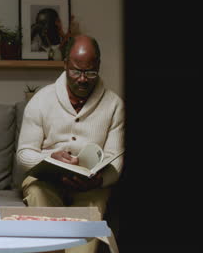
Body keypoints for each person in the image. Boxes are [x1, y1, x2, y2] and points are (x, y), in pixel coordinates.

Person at [17, 35, 124, 253]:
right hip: (45, 182)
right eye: (76, 71)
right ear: (65, 64)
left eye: (90, 72)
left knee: (90, 213)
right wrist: (48, 158)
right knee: (37, 192)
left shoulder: (114, 105)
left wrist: (99, 181)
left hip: (91, 188)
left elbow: (117, 158)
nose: (83, 79)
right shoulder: (41, 99)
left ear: (99, 66)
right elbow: (24, 154)